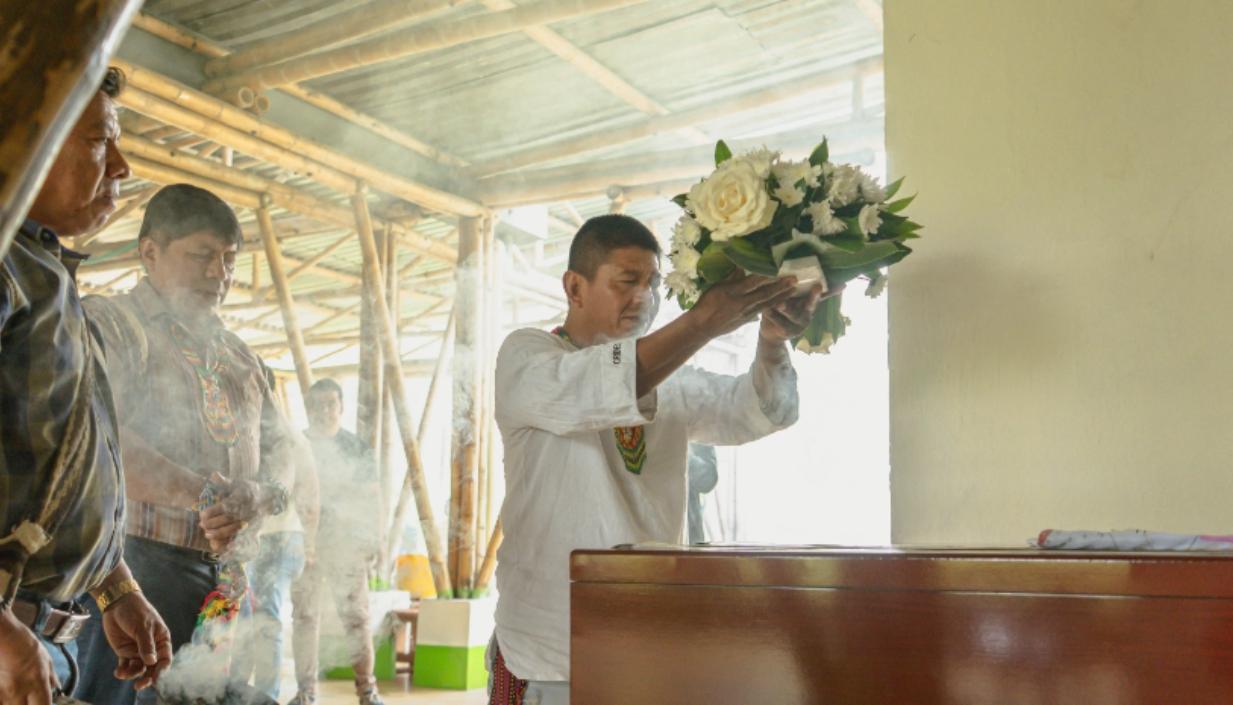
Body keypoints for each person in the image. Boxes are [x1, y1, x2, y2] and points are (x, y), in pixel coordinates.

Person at [490, 214, 830, 704]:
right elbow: (597, 386)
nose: (642, 298)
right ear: (574, 287)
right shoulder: (528, 356)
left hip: (650, 645)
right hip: (554, 658)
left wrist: (772, 341)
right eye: (626, 281)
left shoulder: (669, 378)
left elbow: (753, 412)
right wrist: (702, 321)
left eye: (651, 283)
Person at [74, 184, 292, 705]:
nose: (219, 273)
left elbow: (282, 453)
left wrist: (259, 497)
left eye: (229, 260)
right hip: (134, 572)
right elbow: (92, 438)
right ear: (149, 252)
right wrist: (207, 497)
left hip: (224, 579)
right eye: (201, 256)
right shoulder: (111, 324)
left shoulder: (243, 358)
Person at [0, 67, 173, 705]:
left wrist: (114, 584)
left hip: (49, 637)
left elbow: (57, 464)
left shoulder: (43, 270)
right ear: (20, 139)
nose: (122, 165)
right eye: (101, 141)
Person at [287, 378, 385, 705]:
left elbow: (373, 499)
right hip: (305, 545)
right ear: (308, 408)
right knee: (304, 618)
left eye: (331, 403)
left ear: (341, 407)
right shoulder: (296, 445)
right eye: (317, 404)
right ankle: (306, 692)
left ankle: (367, 689)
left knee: (356, 617)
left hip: (348, 545)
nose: (324, 410)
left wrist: (375, 541)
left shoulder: (357, 449)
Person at [230, 372, 319, 701]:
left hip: (275, 539)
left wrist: (309, 542)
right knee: (251, 617)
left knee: (262, 618)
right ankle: (241, 691)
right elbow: (313, 493)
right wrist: (309, 541)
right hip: (283, 539)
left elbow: (298, 492)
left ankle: (260, 693)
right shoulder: (293, 434)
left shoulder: (280, 436)